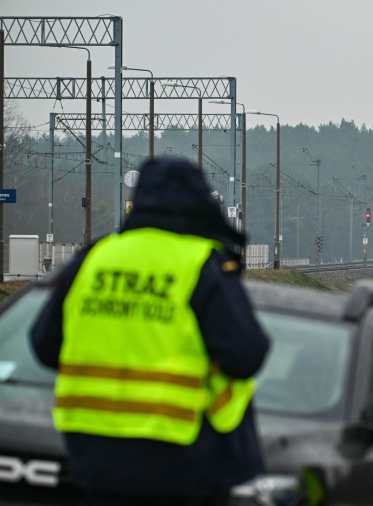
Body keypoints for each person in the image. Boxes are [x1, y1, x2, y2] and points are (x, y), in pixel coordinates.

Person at [30, 157, 271, 505]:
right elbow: (245, 354)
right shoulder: (201, 263)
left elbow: (43, 345)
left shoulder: (95, 257)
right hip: (175, 457)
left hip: (91, 454)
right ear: (199, 202)